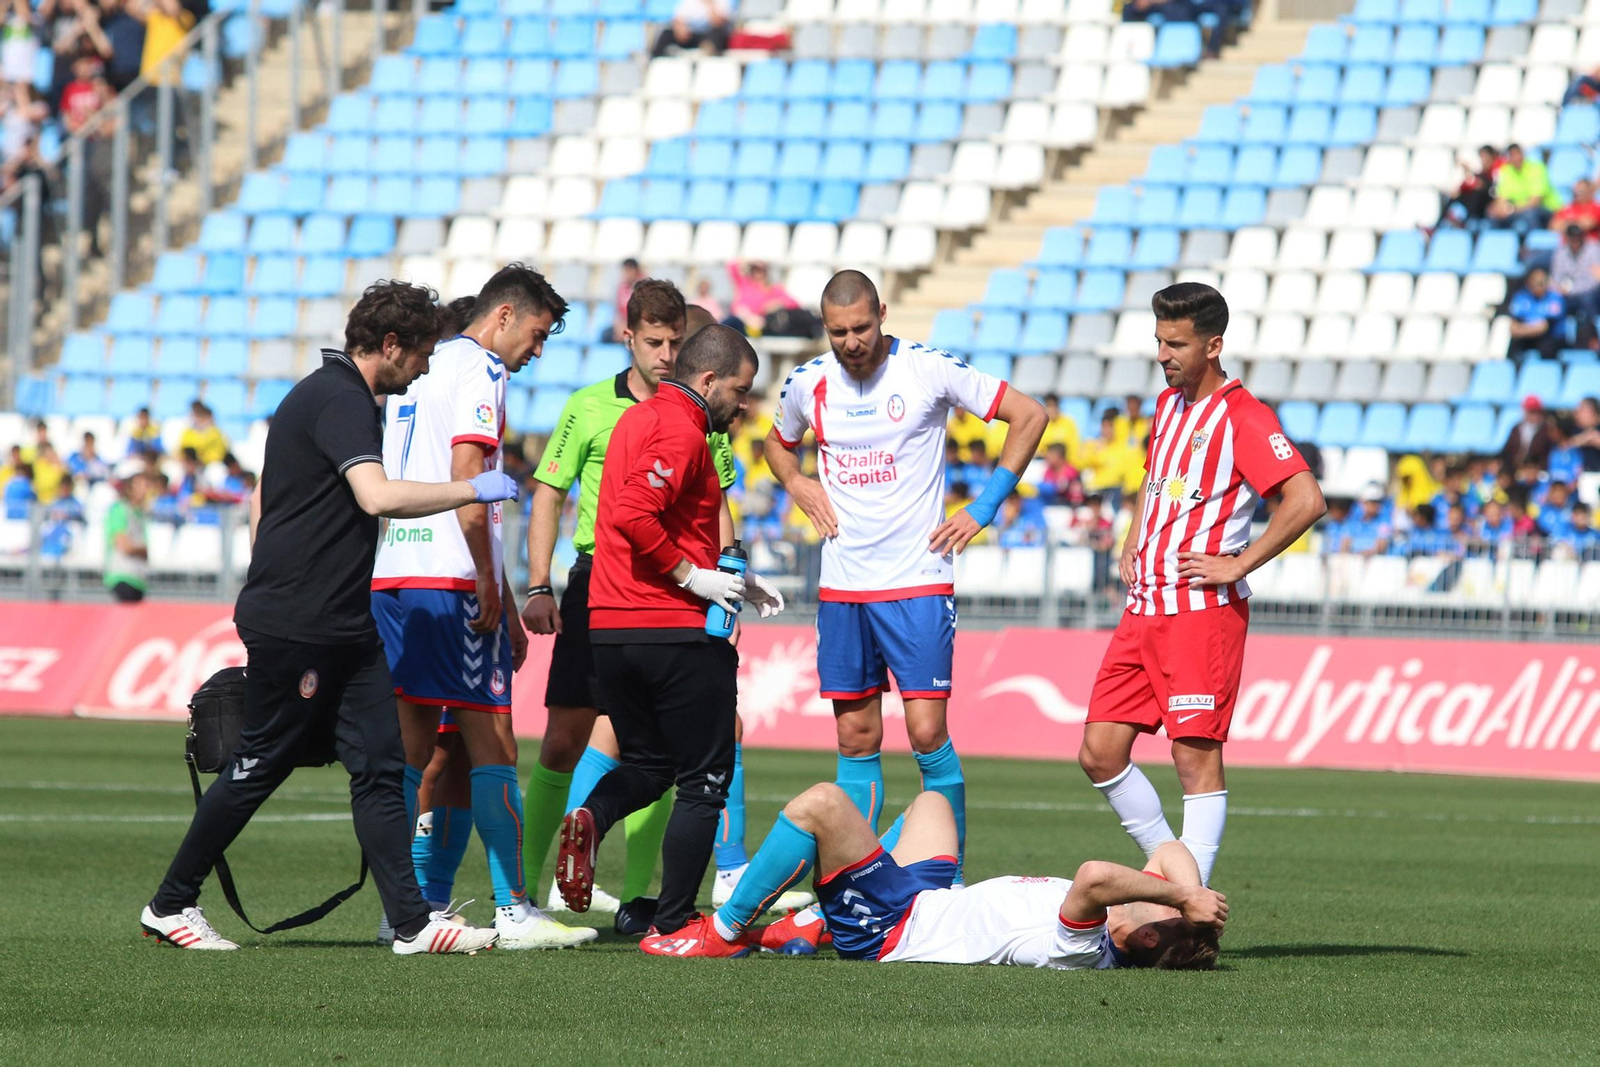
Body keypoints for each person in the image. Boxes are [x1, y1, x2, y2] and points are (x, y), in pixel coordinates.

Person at [139, 281, 519, 954]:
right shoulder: (340, 398)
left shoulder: (335, 396)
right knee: (260, 762)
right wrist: (472, 486)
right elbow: (374, 497)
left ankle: (410, 923)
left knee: (380, 765)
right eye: (422, 353)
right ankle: (170, 903)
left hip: (344, 622)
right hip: (304, 622)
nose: (427, 367)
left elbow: (265, 498)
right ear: (391, 344)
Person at [764, 270, 1047, 879]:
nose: (851, 342)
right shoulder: (808, 383)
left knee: (925, 733)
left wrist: (985, 505)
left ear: (883, 314)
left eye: (861, 327)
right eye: (838, 332)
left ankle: (946, 878)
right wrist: (796, 481)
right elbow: (775, 442)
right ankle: (852, 882)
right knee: (857, 740)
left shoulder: (927, 369)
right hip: (843, 587)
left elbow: (1029, 415)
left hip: (917, 581)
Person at [368, 265, 589, 950]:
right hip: (453, 576)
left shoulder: (422, 366)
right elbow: (469, 478)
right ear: (502, 317)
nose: (537, 350)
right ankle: (514, 910)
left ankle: (407, 910)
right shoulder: (481, 369)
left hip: (395, 570)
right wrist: (493, 583)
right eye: (538, 333)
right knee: (492, 738)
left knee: (417, 749)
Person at [1077, 283, 1326, 889]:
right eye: (1159, 341)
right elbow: (1155, 480)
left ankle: (1188, 903)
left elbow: (1305, 499)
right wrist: (1136, 535)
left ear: (1213, 346)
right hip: (1144, 607)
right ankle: (1174, 875)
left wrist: (1239, 563)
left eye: (1176, 343)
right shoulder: (1168, 406)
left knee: (1193, 757)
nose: (1164, 354)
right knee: (1100, 752)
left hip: (1200, 612)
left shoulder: (1245, 417)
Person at [554, 326, 786, 939]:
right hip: (671, 628)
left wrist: (736, 579)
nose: (744, 405)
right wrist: (692, 579)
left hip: (611, 626)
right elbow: (635, 512)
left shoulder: (637, 420)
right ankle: (679, 921)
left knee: (651, 765)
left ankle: (593, 816)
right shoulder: (684, 430)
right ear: (708, 380)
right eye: (739, 390)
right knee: (705, 780)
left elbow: (657, 514)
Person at [637, 782, 1226, 967]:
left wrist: (1182, 897)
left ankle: (725, 929)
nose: (1168, 894)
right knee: (933, 804)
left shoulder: (1085, 945)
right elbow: (1172, 848)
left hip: (893, 928)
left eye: (1168, 911)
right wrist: (1192, 905)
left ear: (1148, 936)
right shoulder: (1137, 920)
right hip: (933, 896)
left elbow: (1095, 875)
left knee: (821, 805)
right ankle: (816, 919)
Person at [1487, 144, 1561, 233]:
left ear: (1523, 154)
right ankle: (1501, 244)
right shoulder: (1506, 171)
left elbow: (1535, 201)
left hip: (1545, 209)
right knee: (1493, 214)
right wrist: (1500, 209)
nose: (1516, 158)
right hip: (1517, 210)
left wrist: (1511, 209)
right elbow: (1501, 198)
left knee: (1530, 214)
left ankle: (1534, 243)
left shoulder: (1537, 168)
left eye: (1517, 154)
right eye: (1512, 155)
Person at [104, 468, 151, 602]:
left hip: (139, 578)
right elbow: (124, 545)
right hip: (123, 575)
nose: (145, 489)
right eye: (141, 485)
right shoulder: (120, 510)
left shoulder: (142, 514)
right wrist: (142, 549)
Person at [1507, 267, 1567, 364]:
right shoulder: (1521, 297)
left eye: (1542, 283)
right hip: (1527, 336)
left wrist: (1522, 330)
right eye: (1535, 284)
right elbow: (1513, 326)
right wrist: (1521, 331)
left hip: (1550, 337)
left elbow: (1544, 327)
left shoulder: (1555, 298)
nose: (1539, 287)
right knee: (1514, 345)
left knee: (1547, 346)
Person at [1551, 224, 1600, 328]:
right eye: (1572, 237)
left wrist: (1572, 289)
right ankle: (1560, 335)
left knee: (1587, 299)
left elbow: (1595, 279)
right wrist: (1560, 288)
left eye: (1578, 237)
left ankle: (1593, 332)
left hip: (1589, 292)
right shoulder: (1560, 253)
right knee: (1555, 300)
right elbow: (1556, 277)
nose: (1575, 240)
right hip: (1566, 293)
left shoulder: (1594, 250)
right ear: (1567, 237)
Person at [1441, 145, 1502, 229]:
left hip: (1487, 204)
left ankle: (1465, 221)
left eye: (1484, 157)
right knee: (1455, 197)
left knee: (1477, 194)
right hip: (1477, 204)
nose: (1482, 160)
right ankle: (1442, 223)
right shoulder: (1480, 174)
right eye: (1481, 157)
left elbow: (1493, 189)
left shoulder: (1497, 170)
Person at [649, 0, 731, 58]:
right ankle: (653, 60)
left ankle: (709, 52)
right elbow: (677, 18)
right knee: (666, 34)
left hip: (708, 35)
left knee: (717, 33)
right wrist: (680, 29)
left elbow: (718, 22)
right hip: (690, 35)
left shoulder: (722, 2)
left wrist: (709, 3)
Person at [1501, 395, 1561, 471]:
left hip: (1538, 470)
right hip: (1515, 469)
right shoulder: (1516, 429)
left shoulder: (1547, 430)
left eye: (1537, 411)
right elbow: (1508, 450)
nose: (1535, 415)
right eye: (1532, 412)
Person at [603, 258, 642, 344]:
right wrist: (619, 326)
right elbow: (616, 312)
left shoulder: (644, 288)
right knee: (605, 335)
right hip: (622, 326)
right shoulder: (619, 288)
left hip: (637, 327)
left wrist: (628, 327)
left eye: (628, 270)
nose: (626, 274)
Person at [180, 400, 228, 465]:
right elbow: (183, 448)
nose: (199, 420)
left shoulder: (216, 432)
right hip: (191, 464)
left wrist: (203, 459)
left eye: (202, 416)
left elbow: (219, 453)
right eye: (198, 416)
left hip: (209, 464)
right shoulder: (188, 432)